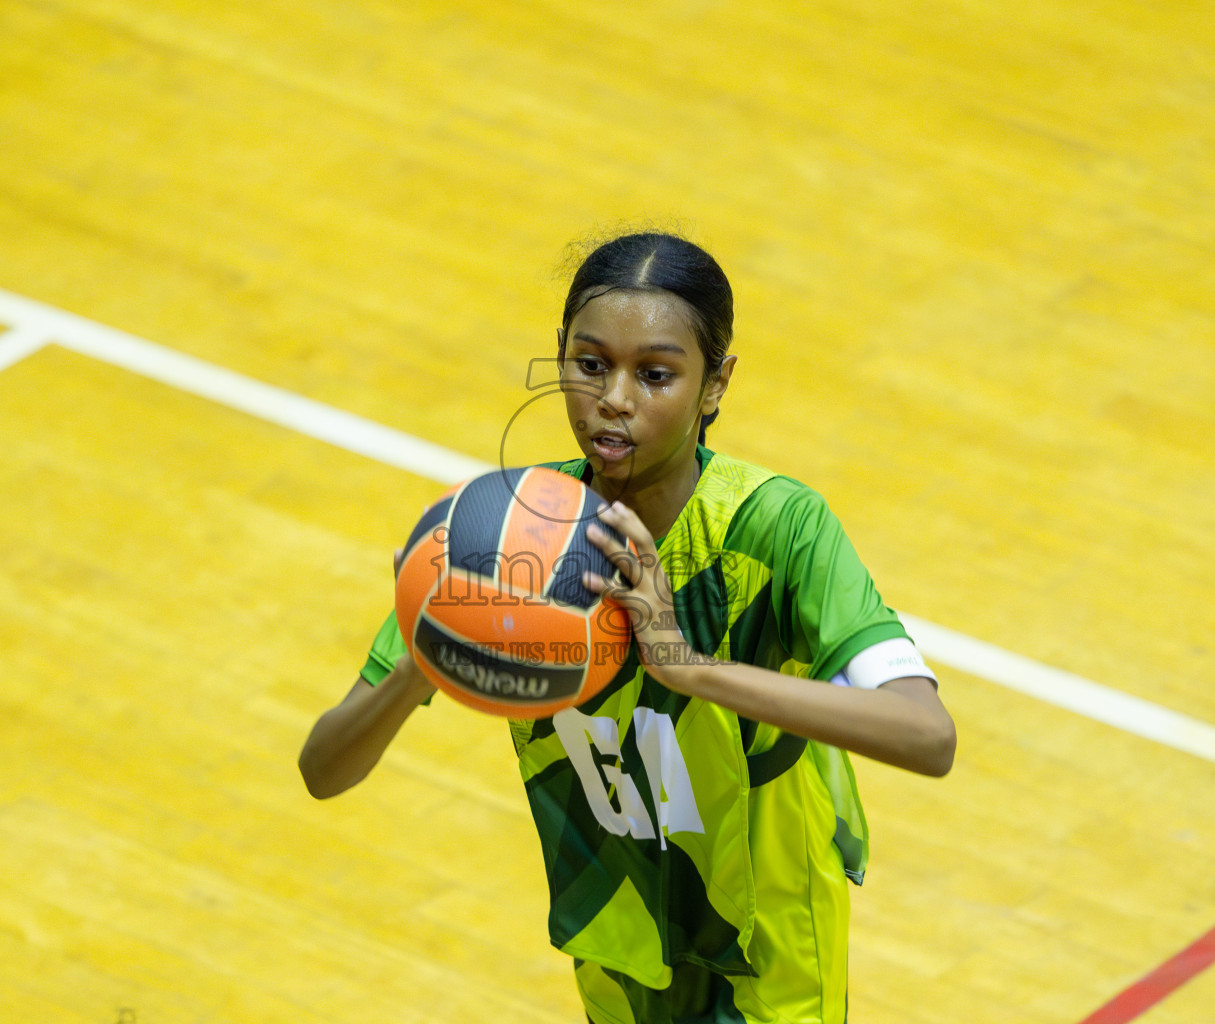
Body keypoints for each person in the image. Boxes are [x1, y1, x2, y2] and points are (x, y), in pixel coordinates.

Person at [299, 232, 956, 1024]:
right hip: (619, 933)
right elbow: (323, 769)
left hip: (770, 945)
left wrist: (690, 668)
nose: (614, 397)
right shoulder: (504, 534)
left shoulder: (776, 528)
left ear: (715, 385)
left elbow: (928, 736)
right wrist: (426, 658)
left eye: (655, 374)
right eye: (589, 364)